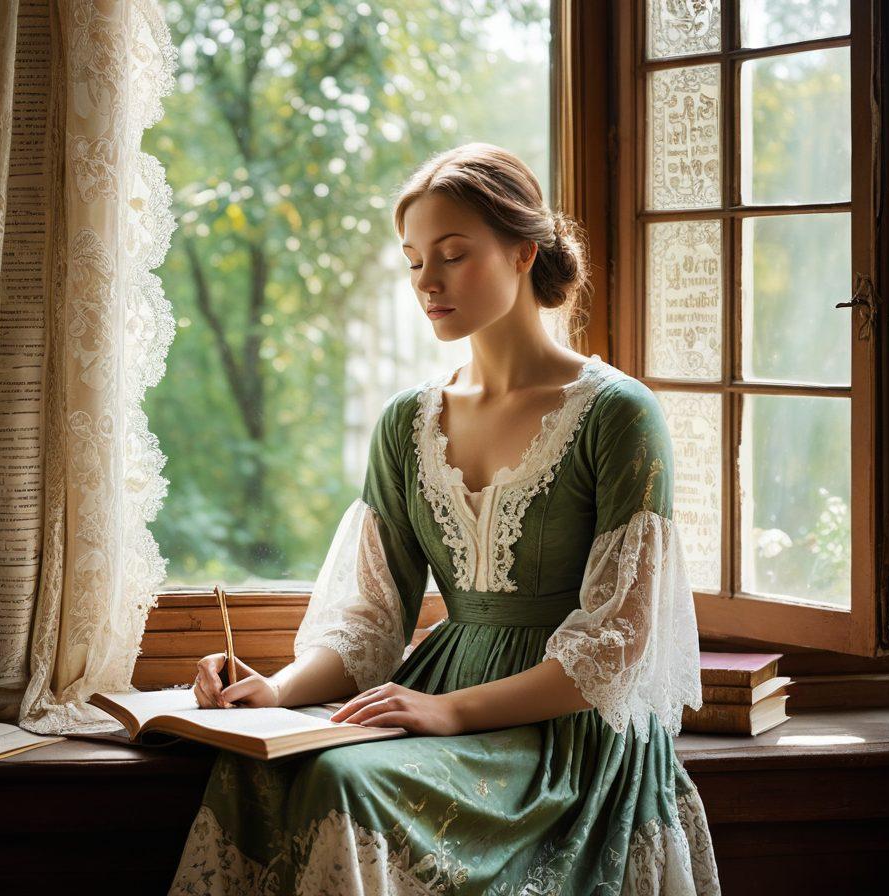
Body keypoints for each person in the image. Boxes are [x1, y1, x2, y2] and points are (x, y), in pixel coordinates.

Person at [168, 143, 721, 895]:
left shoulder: (619, 415)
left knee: (343, 780)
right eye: (413, 261)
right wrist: (276, 690)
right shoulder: (407, 423)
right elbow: (370, 622)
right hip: (435, 699)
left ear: (525, 251)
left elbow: (616, 650)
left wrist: (450, 712)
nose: (428, 281)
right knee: (253, 776)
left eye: (453, 255)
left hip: (564, 735)